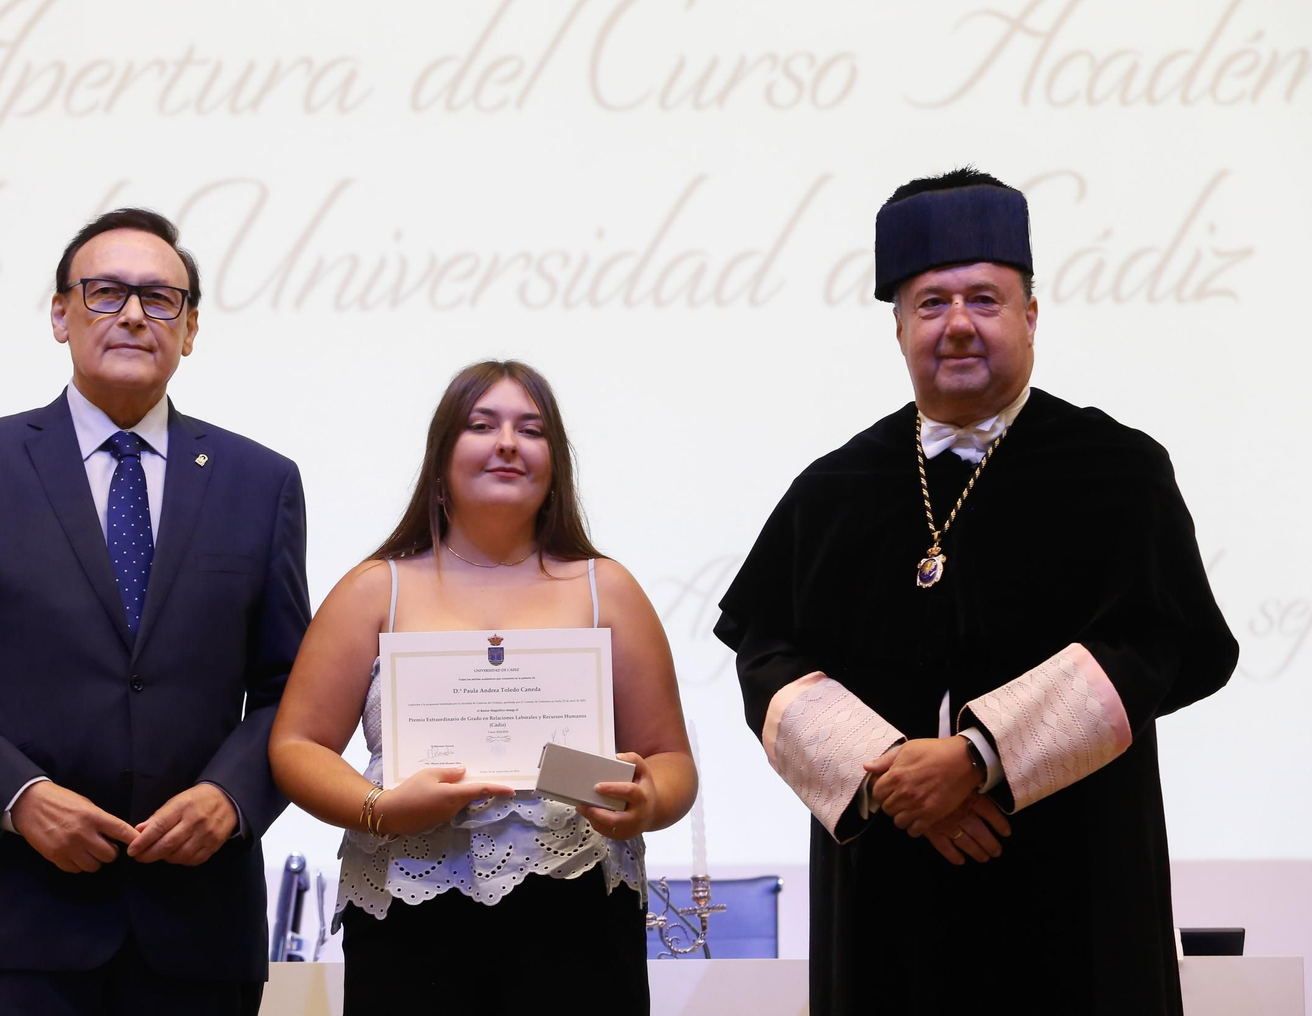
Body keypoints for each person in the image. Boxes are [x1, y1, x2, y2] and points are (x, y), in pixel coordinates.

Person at [714, 169, 1237, 1015]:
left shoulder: (1118, 472)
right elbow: (766, 650)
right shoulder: (834, 488)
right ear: (897, 328)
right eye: (931, 303)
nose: (958, 325)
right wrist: (893, 783)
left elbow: (1158, 642)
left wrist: (976, 760)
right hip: (889, 892)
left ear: (1031, 316)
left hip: (1072, 891)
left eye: (985, 300)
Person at [0, 208, 309, 1016]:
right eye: (105, 293)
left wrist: (234, 797)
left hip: (197, 932)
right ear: (60, 315)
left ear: (192, 327)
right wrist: (17, 796)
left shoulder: (260, 481)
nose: (135, 315)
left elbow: (292, 687)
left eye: (160, 298)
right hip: (12, 924)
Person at [269, 360, 696, 1014]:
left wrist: (648, 802)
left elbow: (668, 760)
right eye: (481, 425)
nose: (506, 443)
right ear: (441, 457)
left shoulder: (604, 588)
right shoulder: (373, 589)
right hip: (410, 906)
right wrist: (378, 808)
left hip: (577, 905)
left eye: (531, 429)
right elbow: (297, 744)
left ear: (555, 463)